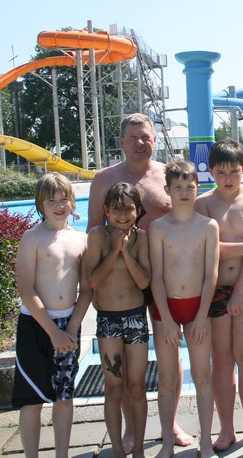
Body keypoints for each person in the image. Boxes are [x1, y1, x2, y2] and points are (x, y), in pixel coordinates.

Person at [87, 113, 193, 452]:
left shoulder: (168, 176)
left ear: (155, 140)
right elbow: (92, 233)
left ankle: (170, 422)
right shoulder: (104, 180)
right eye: (133, 137)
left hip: (166, 278)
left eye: (145, 136)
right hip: (121, 283)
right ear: (121, 142)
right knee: (123, 366)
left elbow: (194, 215)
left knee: (169, 354)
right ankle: (131, 430)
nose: (140, 142)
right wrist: (91, 289)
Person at [194, 139, 243, 452]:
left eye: (234, 171)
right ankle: (226, 428)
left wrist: (239, 292)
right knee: (222, 361)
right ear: (211, 171)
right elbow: (205, 249)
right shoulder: (202, 204)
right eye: (221, 172)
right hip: (214, 291)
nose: (228, 178)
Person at [11, 172, 92, 458]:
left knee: (64, 397)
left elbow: (87, 290)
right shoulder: (32, 238)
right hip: (36, 325)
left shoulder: (81, 240)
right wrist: (53, 332)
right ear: (40, 205)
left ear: (72, 201)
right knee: (31, 400)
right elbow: (26, 289)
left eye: (63, 199)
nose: (59, 206)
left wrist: (70, 328)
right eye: (51, 201)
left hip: (68, 325)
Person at [149, 160, 219, 458]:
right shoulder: (158, 228)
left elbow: (211, 274)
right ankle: (167, 441)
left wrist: (202, 316)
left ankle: (206, 442)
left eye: (190, 187)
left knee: (203, 376)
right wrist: (165, 319)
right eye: (178, 187)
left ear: (197, 189)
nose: (184, 192)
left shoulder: (208, 226)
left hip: (197, 307)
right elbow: (156, 276)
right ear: (167, 190)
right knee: (167, 379)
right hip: (165, 309)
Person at [85, 183, 151, 458]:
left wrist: (125, 251)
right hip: (108, 320)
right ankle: (117, 450)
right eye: (116, 209)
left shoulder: (141, 237)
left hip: (135, 318)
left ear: (138, 210)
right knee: (113, 388)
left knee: (137, 387)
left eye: (129, 209)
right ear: (106, 211)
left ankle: (139, 449)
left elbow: (144, 281)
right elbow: (93, 281)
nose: (122, 215)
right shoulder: (96, 236)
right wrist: (114, 249)